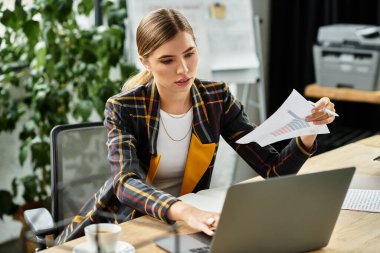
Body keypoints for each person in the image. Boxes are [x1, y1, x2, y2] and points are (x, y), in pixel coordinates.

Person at [56, 8, 336, 244]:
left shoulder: (216, 98)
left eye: (189, 53)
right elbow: (125, 184)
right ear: (145, 62)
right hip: (130, 224)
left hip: (188, 225)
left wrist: (308, 130)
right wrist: (185, 211)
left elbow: (274, 171)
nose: (184, 69)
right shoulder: (123, 108)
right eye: (167, 60)